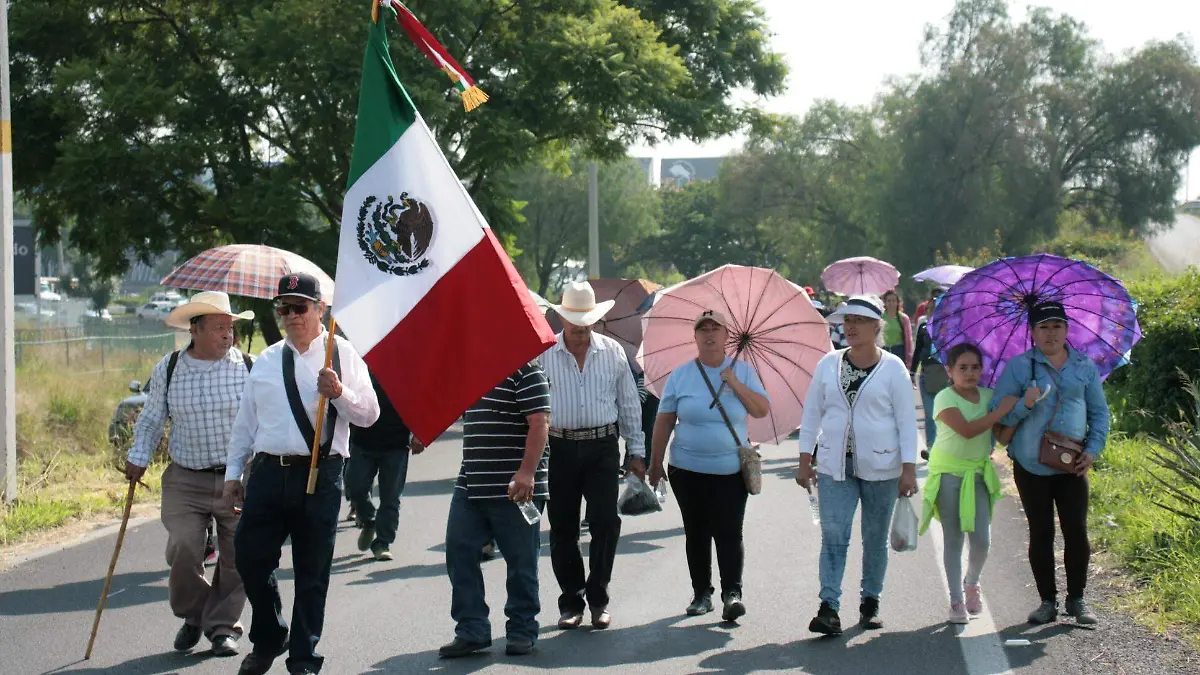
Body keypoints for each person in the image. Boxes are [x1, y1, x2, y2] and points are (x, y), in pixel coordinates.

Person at [223, 273, 380, 675]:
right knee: (250, 557)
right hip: (268, 473)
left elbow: (370, 415)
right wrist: (231, 477)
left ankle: (304, 656)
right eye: (284, 308)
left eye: (300, 307)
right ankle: (271, 635)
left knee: (312, 571)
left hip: (322, 473)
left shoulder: (341, 355)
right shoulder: (266, 360)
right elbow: (245, 425)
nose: (291, 315)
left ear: (320, 310)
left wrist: (339, 393)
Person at [125, 291, 255, 657]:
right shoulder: (169, 367)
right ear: (195, 330)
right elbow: (152, 419)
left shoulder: (248, 366)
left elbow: (266, 419)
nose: (227, 334)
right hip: (186, 476)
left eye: (230, 327)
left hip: (236, 478)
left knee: (236, 554)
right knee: (184, 546)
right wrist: (138, 457)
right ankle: (196, 615)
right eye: (218, 328)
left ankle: (223, 627)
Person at [794, 295, 919, 635]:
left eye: (859, 321)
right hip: (835, 464)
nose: (850, 326)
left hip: (882, 466)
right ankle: (829, 607)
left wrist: (909, 469)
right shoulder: (828, 364)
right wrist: (805, 460)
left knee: (874, 538)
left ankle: (870, 601)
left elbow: (907, 422)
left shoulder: (893, 368)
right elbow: (812, 414)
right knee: (833, 535)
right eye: (847, 320)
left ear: (877, 326)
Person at [991, 301, 1111, 626]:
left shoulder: (1084, 366)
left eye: (1057, 325)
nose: (1051, 333)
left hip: (1073, 464)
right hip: (1030, 464)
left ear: (1067, 329)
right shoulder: (1019, 367)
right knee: (1040, 531)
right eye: (1043, 326)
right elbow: (998, 413)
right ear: (1032, 332)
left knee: (1076, 531)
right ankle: (1047, 602)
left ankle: (1077, 600)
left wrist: (1094, 449)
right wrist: (1023, 405)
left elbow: (1100, 414)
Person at [648, 309, 770, 621]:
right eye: (703, 329)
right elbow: (664, 420)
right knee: (697, 531)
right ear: (696, 336)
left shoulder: (741, 371)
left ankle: (732, 593)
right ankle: (702, 593)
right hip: (686, 468)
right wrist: (655, 461)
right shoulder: (682, 374)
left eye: (716, 329)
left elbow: (760, 410)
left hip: (730, 469)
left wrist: (734, 384)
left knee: (730, 531)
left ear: (728, 336)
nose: (709, 334)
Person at [541, 280, 647, 630]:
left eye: (586, 323)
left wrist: (636, 452)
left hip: (603, 446)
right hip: (558, 447)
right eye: (574, 322)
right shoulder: (542, 354)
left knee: (605, 521)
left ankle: (598, 597)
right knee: (563, 527)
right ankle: (571, 601)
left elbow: (629, 402)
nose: (580, 330)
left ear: (595, 322)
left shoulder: (612, 352)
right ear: (563, 321)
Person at [439, 363, 551, 659]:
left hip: (516, 488)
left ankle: (522, 630)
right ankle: (472, 630)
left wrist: (527, 472)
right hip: (472, 483)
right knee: (459, 552)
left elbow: (539, 422)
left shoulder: (527, 372)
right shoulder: (473, 371)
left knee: (521, 563)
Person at [918, 343, 1023, 624]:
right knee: (954, 540)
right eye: (962, 368)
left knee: (982, 541)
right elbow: (966, 431)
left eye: (975, 367)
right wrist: (1001, 411)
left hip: (977, 475)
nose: (969, 373)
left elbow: (1002, 437)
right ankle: (955, 601)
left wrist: (1023, 407)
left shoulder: (989, 397)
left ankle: (972, 582)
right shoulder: (943, 398)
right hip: (948, 475)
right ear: (949, 371)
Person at [346, 372, 425, 562]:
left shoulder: (410, 371)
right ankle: (369, 521)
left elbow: (422, 400)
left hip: (396, 445)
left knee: (390, 497)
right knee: (355, 488)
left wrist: (420, 432)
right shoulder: (362, 365)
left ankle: (382, 542)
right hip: (362, 441)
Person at [910, 288, 947, 457]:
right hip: (925, 372)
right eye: (931, 303)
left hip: (944, 373)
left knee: (942, 413)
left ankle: (944, 445)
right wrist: (912, 371)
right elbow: (918, 349)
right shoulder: (924, 326)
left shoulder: (948, 326)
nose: (934, 306)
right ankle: (931, 446)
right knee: (929, 413)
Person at [881, 290, 913, 367]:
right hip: (884, 351)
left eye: (893, 301)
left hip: (898, 352)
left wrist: (908, 359)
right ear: (884, 302)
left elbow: (908, 340)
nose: (891, 303)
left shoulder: (903, 318)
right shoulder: (880, 317)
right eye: (888, 301)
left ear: (897, 302)